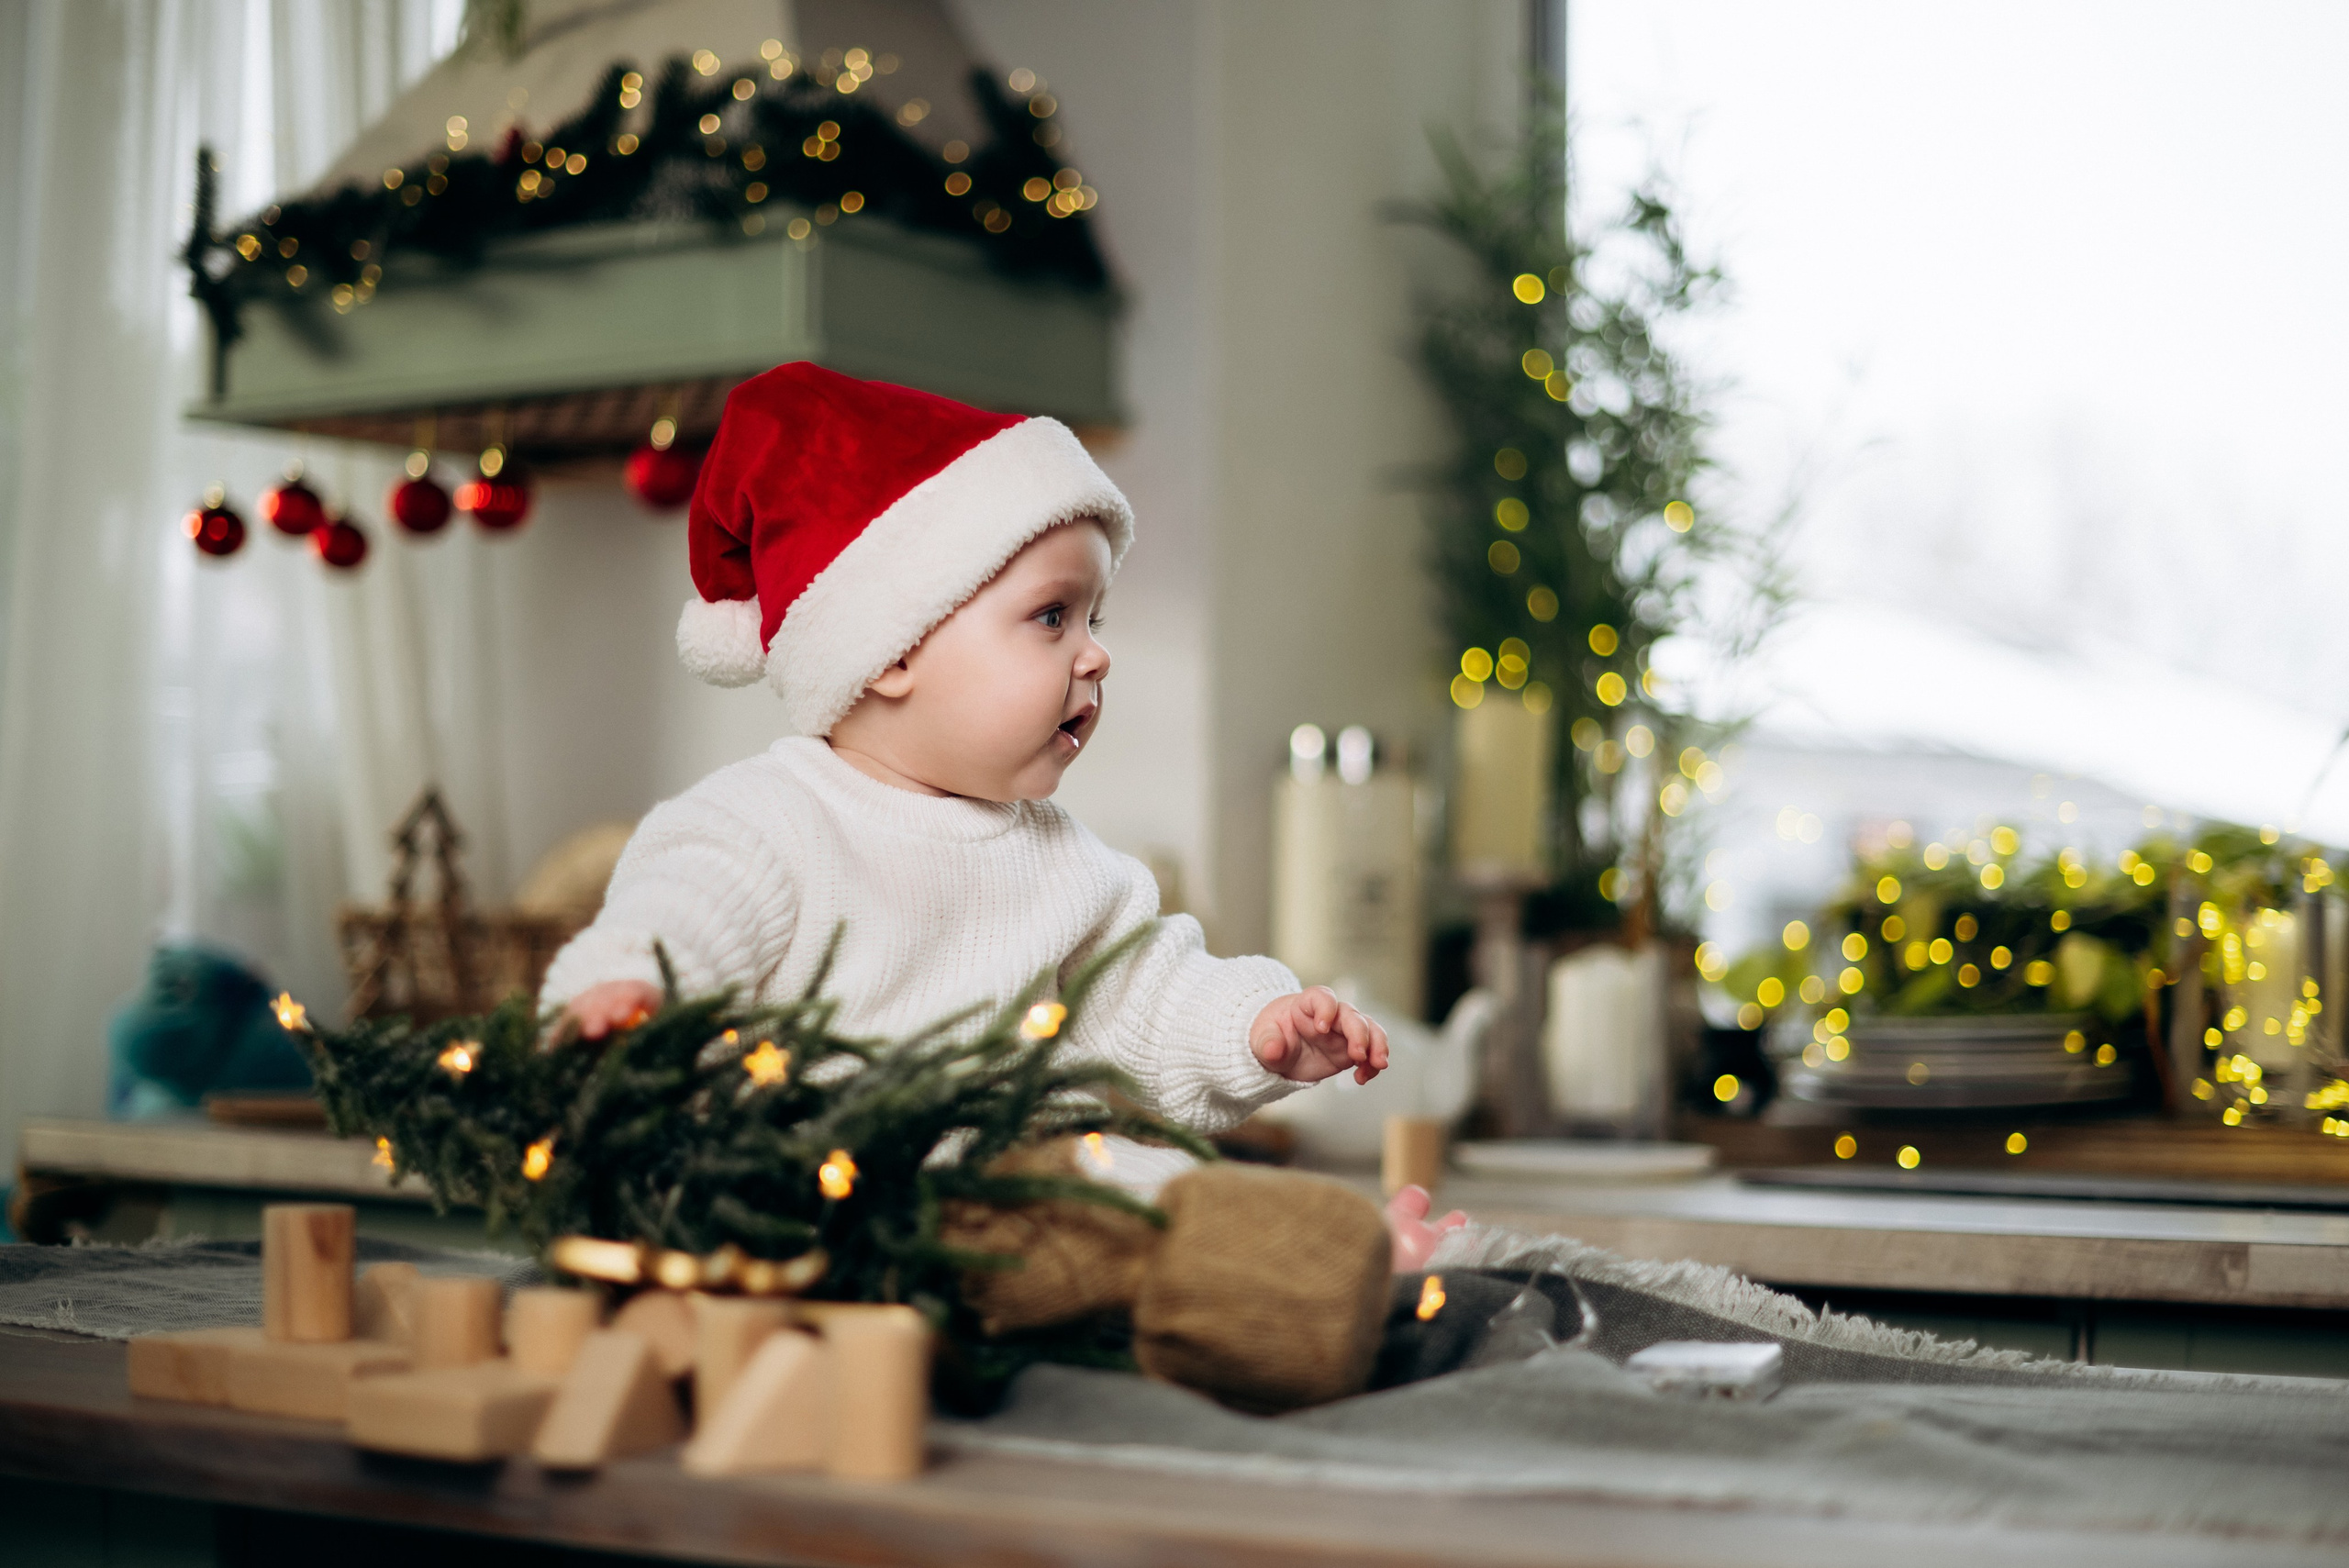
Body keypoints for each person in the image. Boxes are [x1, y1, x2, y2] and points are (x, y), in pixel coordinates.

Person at [543, 362, 1462, 1263]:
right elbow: (679, 918)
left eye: (1095, 616)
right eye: (1053, 616)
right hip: (816, 1198)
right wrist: (626, 994)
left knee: (1158, 1185)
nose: (1095, 655)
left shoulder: (1066, 865)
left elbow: (1149, 993)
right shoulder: (766, 821)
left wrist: (1255, 1026)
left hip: (1026, 1193)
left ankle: (1329, 1261)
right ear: (891, 649)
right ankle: (1316, 1273)